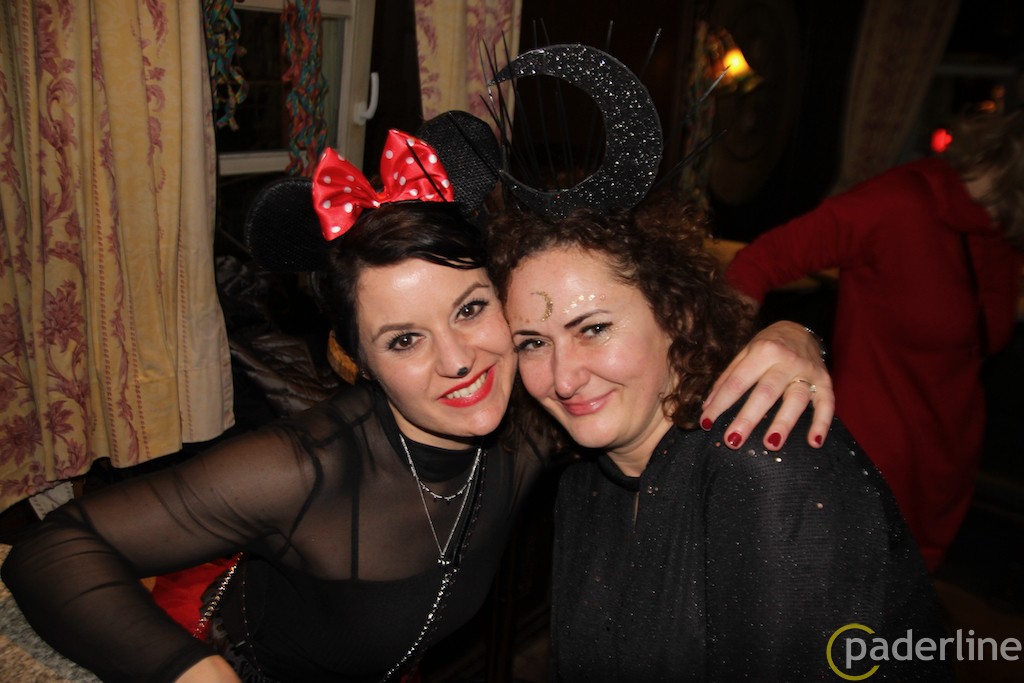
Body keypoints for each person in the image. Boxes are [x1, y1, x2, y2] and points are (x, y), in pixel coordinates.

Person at [1, 130, 835, 683]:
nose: (459, 360)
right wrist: (194, 672)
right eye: (404, 340)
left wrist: (792, 333)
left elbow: (652, 357)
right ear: (356, 360)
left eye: (471, 309)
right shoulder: (303, 468)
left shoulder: (540, 412)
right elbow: (48, 550)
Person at [488, 199, 952, 681]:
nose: (563, 379)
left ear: (679, 315)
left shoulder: (761, 464)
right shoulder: (583, 481)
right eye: (533, 343)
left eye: (594, 329)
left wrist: (802, 332)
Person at [725, 109, 1024, 572]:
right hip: (872, 457)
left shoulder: (1003, 231)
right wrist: (728, 374)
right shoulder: (898, 203)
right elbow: (757, 263)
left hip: (948, 461)